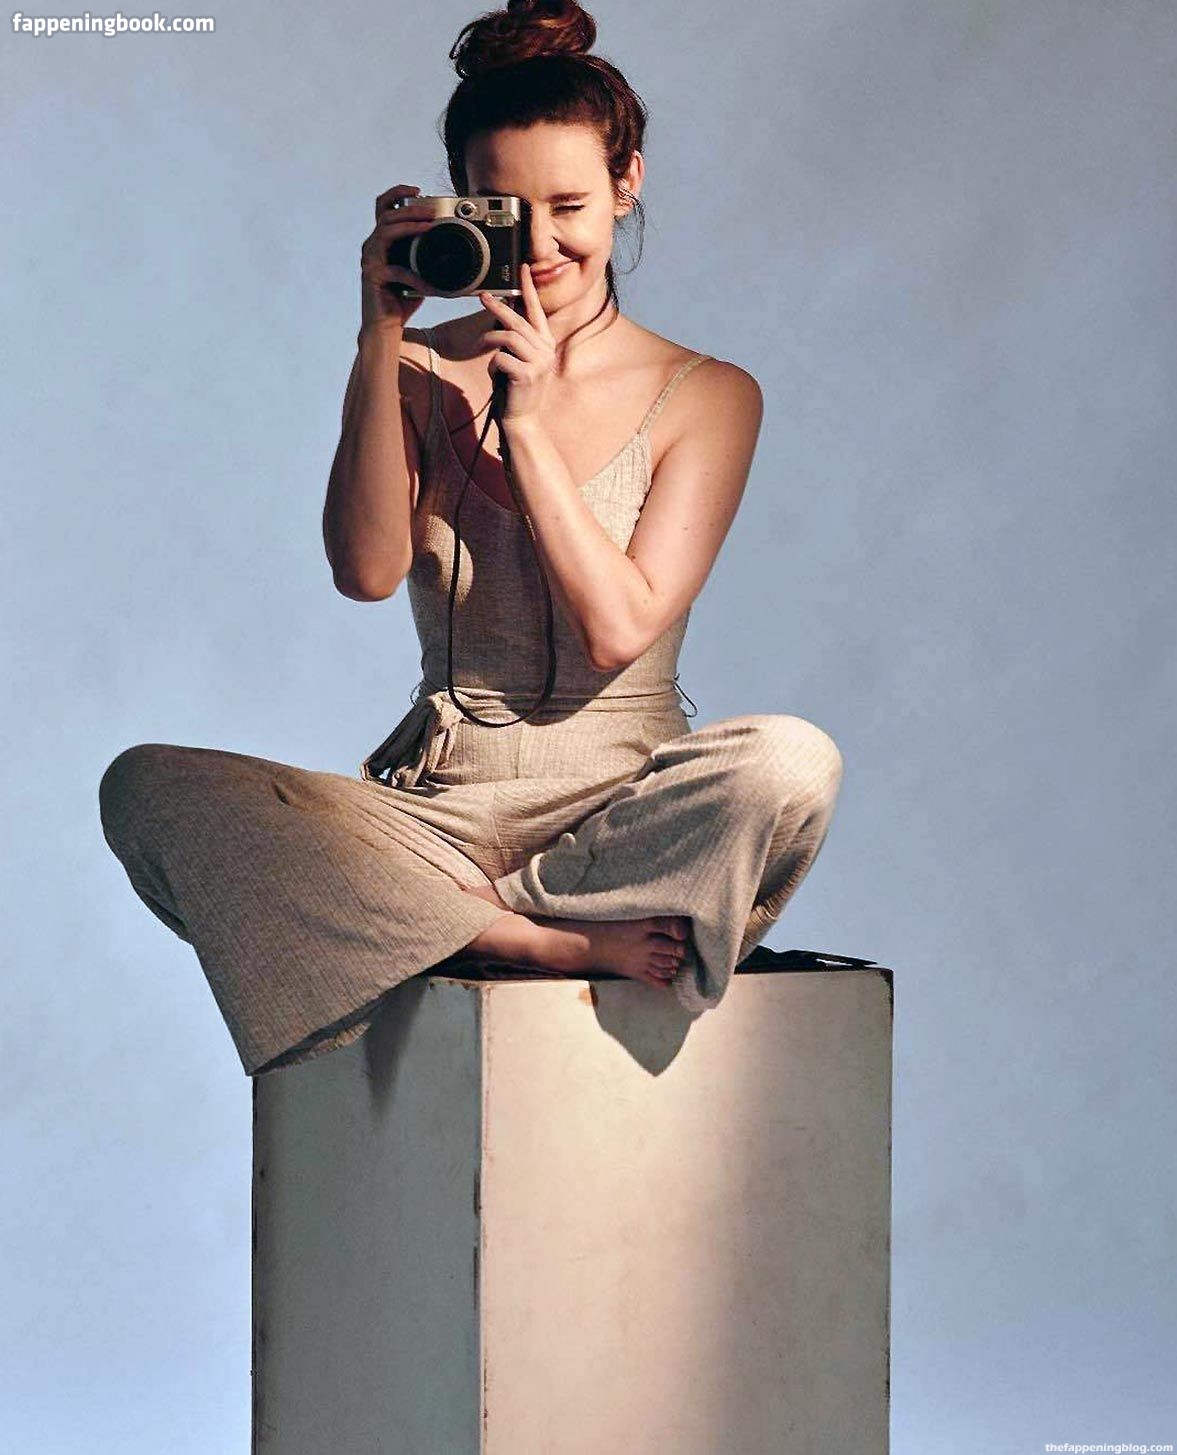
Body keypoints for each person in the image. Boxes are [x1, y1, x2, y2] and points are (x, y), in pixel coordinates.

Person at [98, 0, 844, 1078]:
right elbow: (365, 572)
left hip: (618, 812)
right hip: (436, 813)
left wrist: (526, 431)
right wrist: (380, 337)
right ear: (460, 202)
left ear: (627, 183)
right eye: (507, 210)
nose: (538, 246)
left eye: (570, 205)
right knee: (147, 786)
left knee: (788, 761)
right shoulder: (417, 369)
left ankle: (436, 925)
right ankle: (516, 937)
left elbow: (618, 628)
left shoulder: (708, 393)